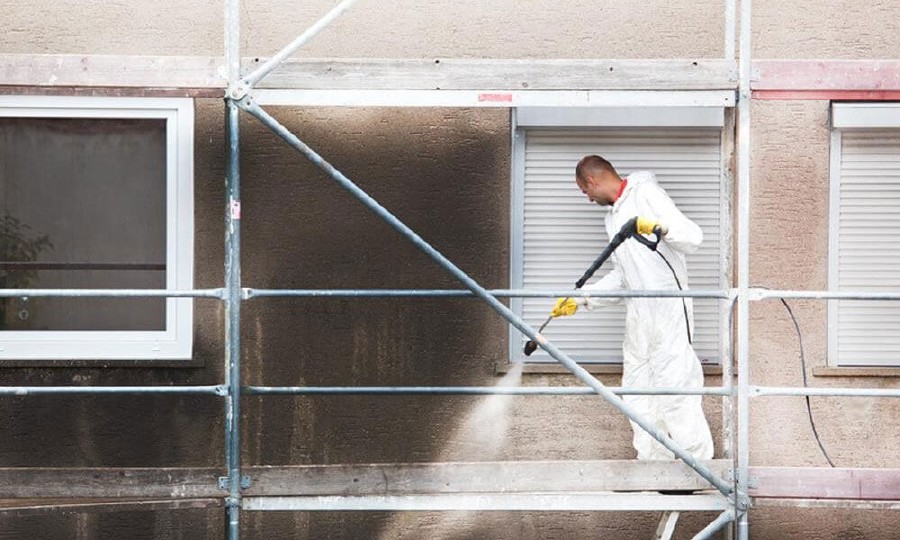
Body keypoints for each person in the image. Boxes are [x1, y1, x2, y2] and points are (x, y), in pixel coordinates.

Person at [550, 155, 713, 461]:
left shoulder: (647, 194)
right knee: (638, 392)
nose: (587, 199)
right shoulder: (612, 218)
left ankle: (698, 469)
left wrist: (660, 227)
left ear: (591, 181)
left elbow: (693, 237)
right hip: (639, 317)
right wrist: (582, 298)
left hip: (668, 311)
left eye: (584, 192)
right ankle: (655, 467)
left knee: (676, 390)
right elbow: (625, 277)